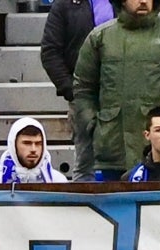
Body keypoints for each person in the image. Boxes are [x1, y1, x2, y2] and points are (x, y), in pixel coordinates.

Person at [73, 0, 160, 180]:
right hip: (113, 148)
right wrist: (94, 126)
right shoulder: (100, 37)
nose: (143, 1)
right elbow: (83, 88)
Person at [40, 0, 116, 181]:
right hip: (83, 98)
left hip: (121, 94)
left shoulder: (129, 3)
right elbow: (50, 52)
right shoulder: (64, 5)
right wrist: (72, 90)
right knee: (85, 165)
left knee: (125, 160)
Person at [0, 118, 69, 184]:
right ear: (14, 146)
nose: (33, 149)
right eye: (27, 143)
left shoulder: (58, 181)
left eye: (38, 143)